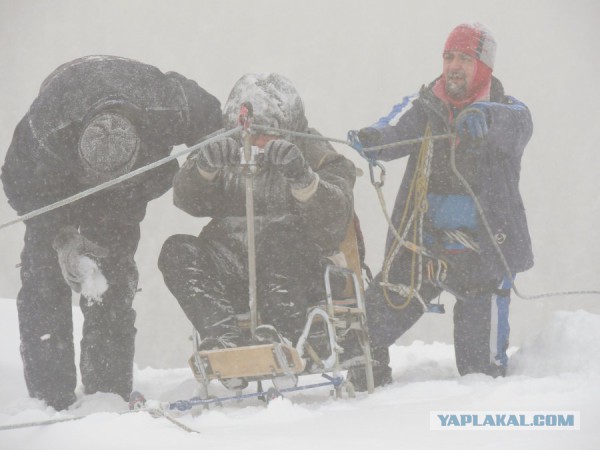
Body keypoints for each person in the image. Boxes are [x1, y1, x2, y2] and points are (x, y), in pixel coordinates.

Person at [1, 55, 222, 410]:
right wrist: (60, 237)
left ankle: (107, 393)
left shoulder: (164, 103)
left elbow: (213, 121)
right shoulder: (47, 127)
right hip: (56, 191)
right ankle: (49, 398)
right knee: (44, 282)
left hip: (124, 195)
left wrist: (212, 155)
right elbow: (17, 182)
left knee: (112, 279)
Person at [346, 23, 533, 390]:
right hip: (422, 251)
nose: (454, 66)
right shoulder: (426, 106)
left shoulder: (510, 111)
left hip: (483, 258)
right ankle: (369, 394)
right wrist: (373, 141)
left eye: (465, 57)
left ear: (485, 66)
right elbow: (393, 129)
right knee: (362, 335)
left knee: (481, 373)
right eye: (449, 57)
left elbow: (514, 126)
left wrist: (484, 120)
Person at [158, 73, 356, 374]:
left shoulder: (318, 154)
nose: (255, 143)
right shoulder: (225, 151)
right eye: (247, 133)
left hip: (299, 271)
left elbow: (335, 218)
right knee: (177, 250)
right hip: (235, 267)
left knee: (276, 238)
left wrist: (303, 180)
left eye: (266, 134)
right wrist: (205, 169)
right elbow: (188, 201)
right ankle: (222, 337)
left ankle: (285, 337)